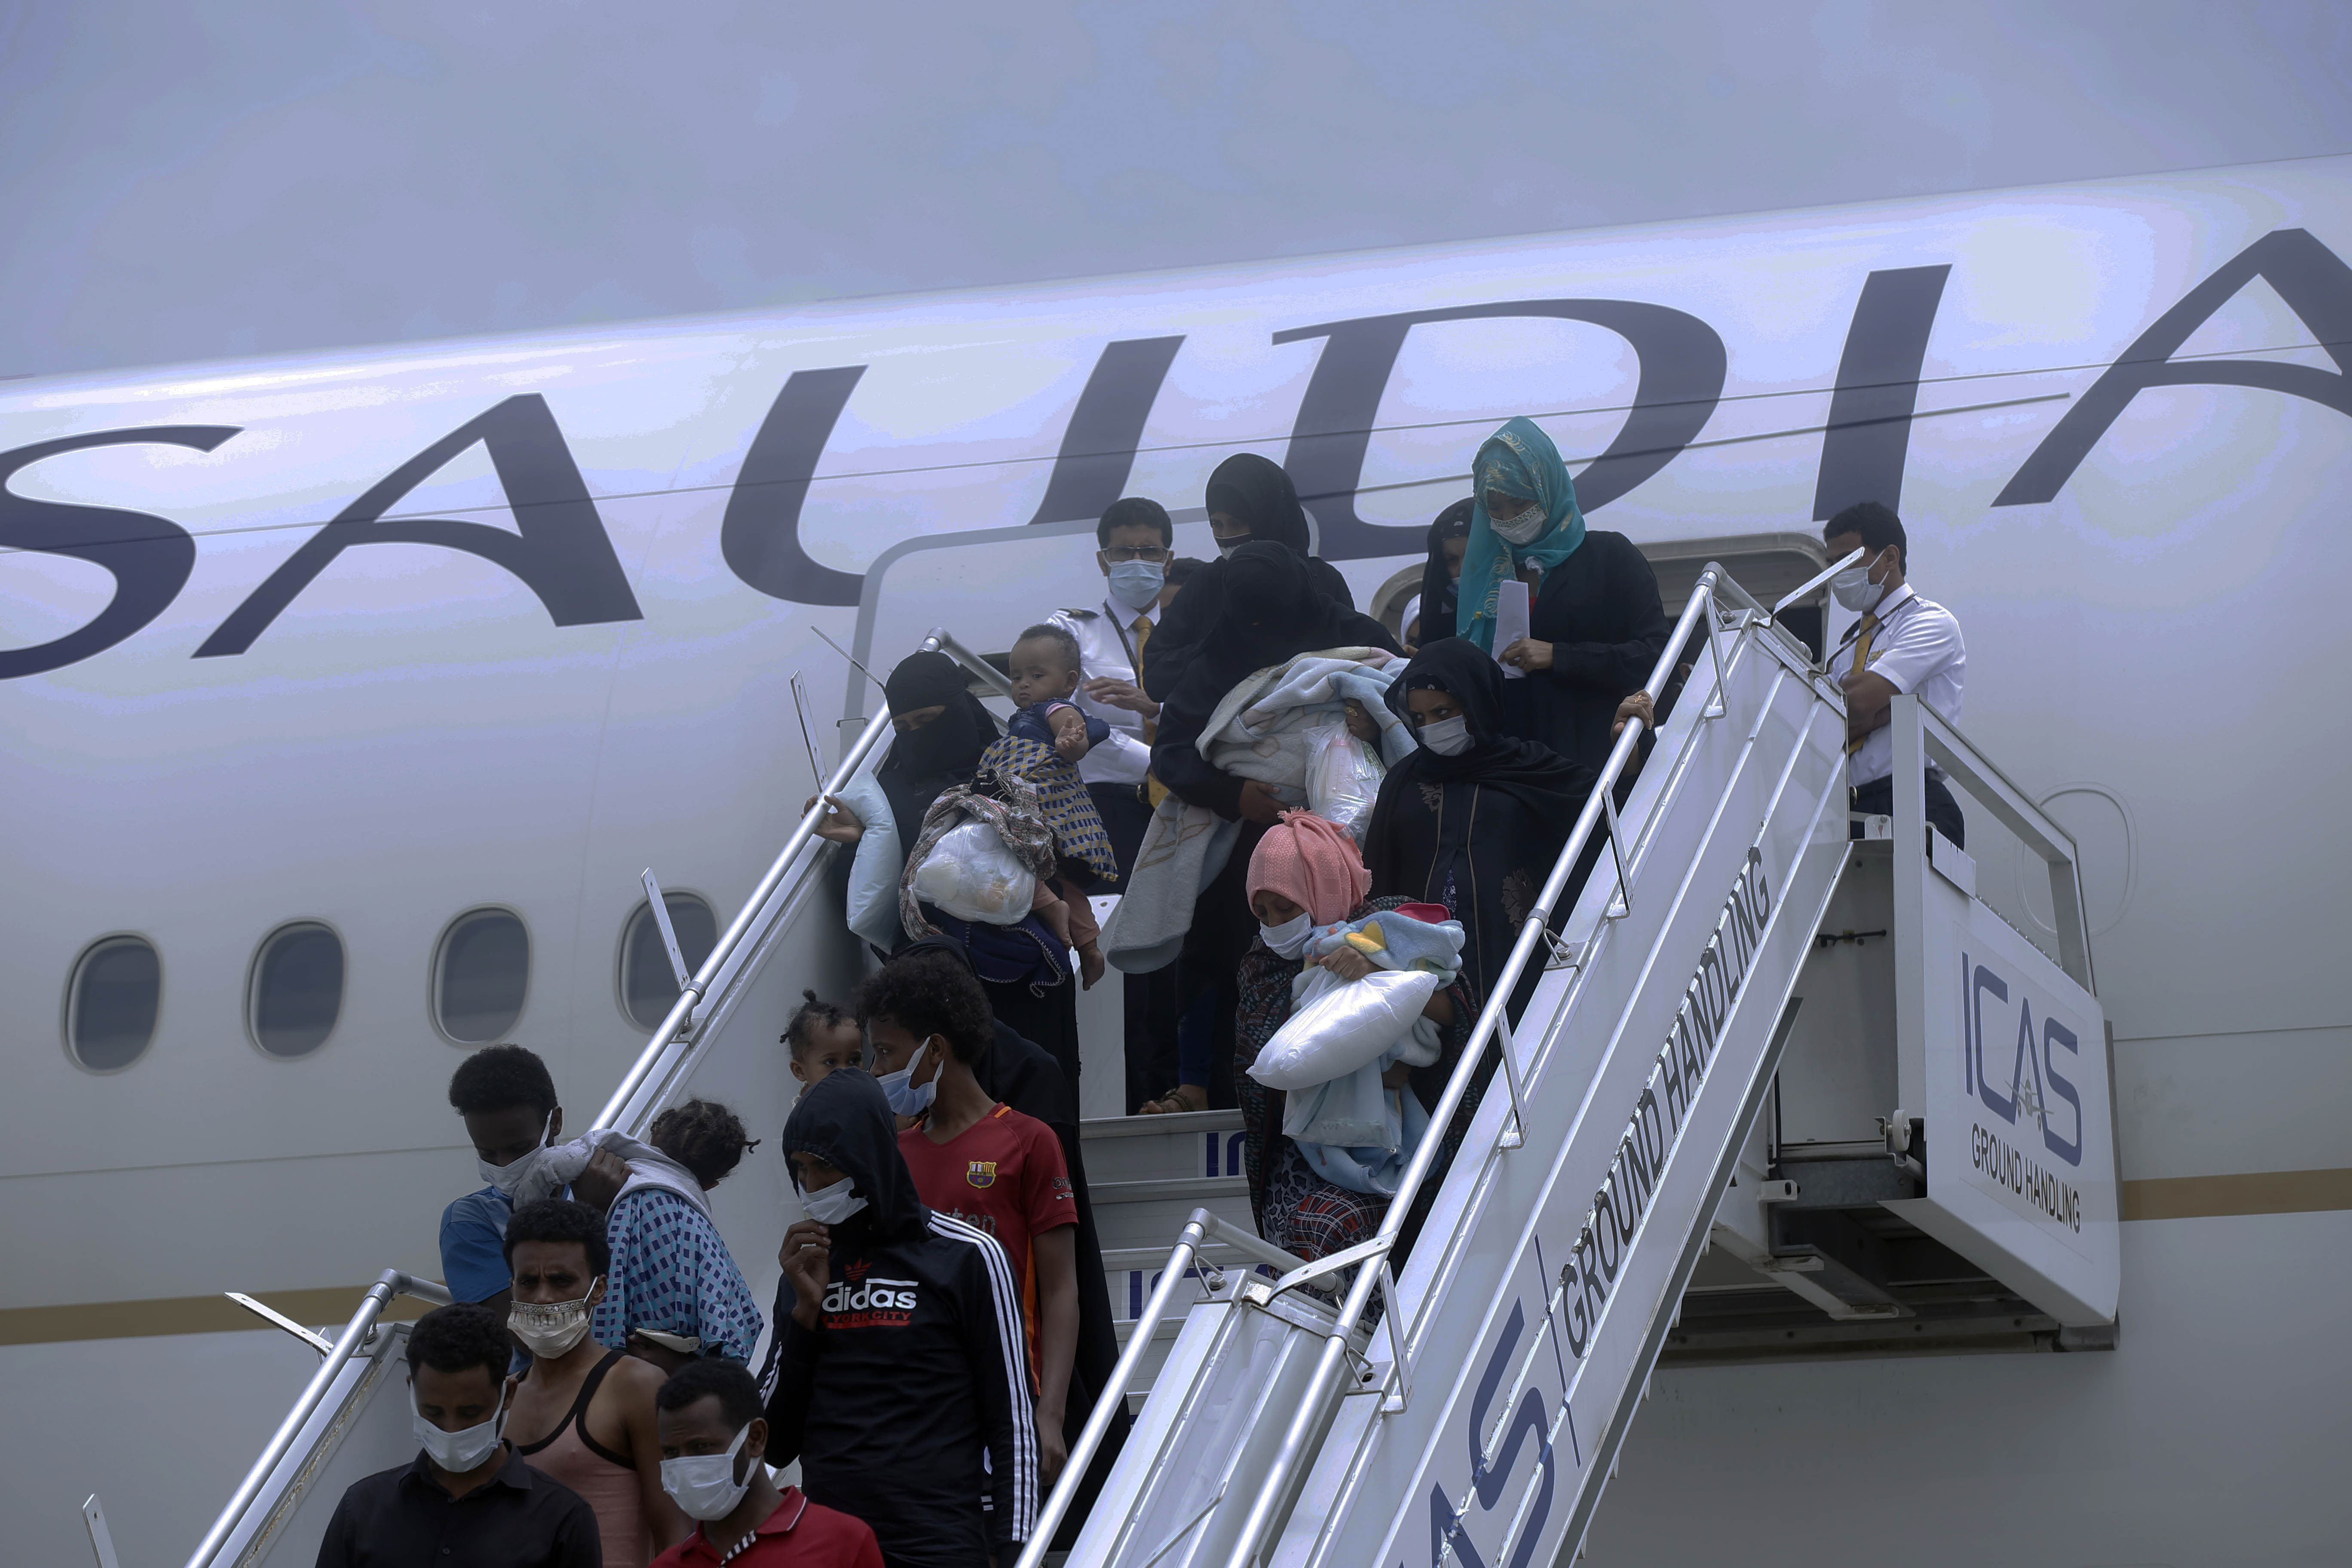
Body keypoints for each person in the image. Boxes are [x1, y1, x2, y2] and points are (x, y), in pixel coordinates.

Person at [1140, 541, 1400, 1112]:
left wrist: (1373, 722)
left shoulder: (1355, 637)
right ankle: (1224, 1090)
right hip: (1249, 846)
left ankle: (1332, 1083)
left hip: (1348, 843)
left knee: (1343, 951)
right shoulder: (1216, 657)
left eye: (1271, 614)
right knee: (1227, 958)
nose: (1260, 628)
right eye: (1249, 616)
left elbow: (1404, 702)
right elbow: (1173, 753)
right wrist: (1233, 794)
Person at [761, 1069, 1038, 1568]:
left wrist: (1018, 1549)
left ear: (867, 1155)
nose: (811, 1186)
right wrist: (804, 1318)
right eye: (800, 1169)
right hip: (832, 1550)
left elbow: (1013, 1419)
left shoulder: (968, 1256)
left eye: (824, 1167)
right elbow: (775, 1445)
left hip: (938, 1546)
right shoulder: (804, 1270)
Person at [858, 951, 1080, 1485]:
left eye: (885, 1052)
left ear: (935, 1050)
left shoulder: (1029, 1141)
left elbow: (1061, 1289)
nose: (876, 1070)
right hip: (911, 1407)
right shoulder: (893, 1155)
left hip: (1006, 1401)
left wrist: (1051, 1414)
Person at [1233, 812, 1471, 1264]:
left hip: (1403, 1135)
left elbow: (1456, 1012)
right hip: (1305, 1153)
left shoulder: (1389, 927)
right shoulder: (1259, 966)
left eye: (1286, 908)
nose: (1275, 924)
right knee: (1317, 1236)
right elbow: (1264, 1076)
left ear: (1324, 889)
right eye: (1262, 913)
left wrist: (1378, 968)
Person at [1366, 638, 1599, 1020]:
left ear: (1477, 702)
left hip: (1517, 959)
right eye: (1420, 718)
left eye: (1443, 712)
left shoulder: (1530, 769)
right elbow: (1379, 877)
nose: (1431, 728)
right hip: (1426, 976)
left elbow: (1608, 811)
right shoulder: (1403, 783)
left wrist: (1630, 748)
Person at [315, 1301, 599, 1568]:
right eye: (433, 1412)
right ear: (412, 1390)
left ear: (509, 1395)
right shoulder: (362, 1509)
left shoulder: (563, 1519)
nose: (451, 1429)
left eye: (470, 1412)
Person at [1458, 417, 1671, 772]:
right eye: (1495, 508)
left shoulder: (1609, 557)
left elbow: (1656, 655)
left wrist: (1559, 655)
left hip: (1598, 759)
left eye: (1519, 503)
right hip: (1514, 769)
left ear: (1548, 488)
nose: (1509, 518)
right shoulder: (1486, 575)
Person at [503, 1198, 688, 1564]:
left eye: (561, 1280)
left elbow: (676, 1533)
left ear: (599, 1289)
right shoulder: (503, 1396)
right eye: (528, 1282)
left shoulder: (635, 1385)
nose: (543, 1297)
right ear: (512, 1288)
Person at [1822, 500, 1968, 847]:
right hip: (1850, 808)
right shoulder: (1847, 647)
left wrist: (1864, 710)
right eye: (1831, 565)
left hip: (1911, 799)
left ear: (1889, 557)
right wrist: (1879, 712)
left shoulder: (1929, 622)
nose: (1836, 575)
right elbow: (1825, 723)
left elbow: (1855, 703)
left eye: (1847, 561)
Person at [649, 1359, 882, 1568]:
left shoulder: (843, 1543)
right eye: (671, 1452)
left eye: (702, 1446)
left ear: (756, 1438)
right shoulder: (669, 1565)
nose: (684, 1465)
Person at [441, 1044, 622, 1313]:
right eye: (487, 1154)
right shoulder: (469, 1220)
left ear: (555, 1122)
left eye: (519, 1148)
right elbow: (524, 1329)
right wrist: (592, 1215)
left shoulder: (610, 1182)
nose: (505, 1165)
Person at [1047, 497, 1172, 876]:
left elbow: (1212, 712)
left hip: (1189, 805)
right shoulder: (1070, 630)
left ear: (1167, 561)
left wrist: (1157, 709)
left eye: (1149, 551)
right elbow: (1060, 715)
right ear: (1104, 561)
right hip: (1105, 809)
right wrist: (1158, 763)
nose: (1137, 560)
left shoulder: (1190, 632)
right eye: (1123, 552)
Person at [995, 620, 1124, 985]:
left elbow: (1078, 739)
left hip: (1042, 809)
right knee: (1058, 878)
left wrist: (1071, 744)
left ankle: (1058, 916)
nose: (1024, 684)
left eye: (1036, 675)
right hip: (1032, 806)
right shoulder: (1024, 716)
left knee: (1024, 863)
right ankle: (1088, 943)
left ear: (1069, 682)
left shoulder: (1055, 710)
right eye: (1016, 676)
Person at [593, 1099, 766, 1371]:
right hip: (681, 1377)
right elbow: (739, 1326)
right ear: (711, 1184)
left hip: (615, 1368)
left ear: (654, 1140)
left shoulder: (618, 1199)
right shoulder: (703, 1235)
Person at [1408, 498, 1475, 651]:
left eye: (1473, 557)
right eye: (1451, 560)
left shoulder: (1524, 610)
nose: (1463, 569)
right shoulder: (1438, 627)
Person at [784, 989, 862, 1096]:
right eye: (831, 1062)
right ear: (800, 1071)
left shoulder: (871, 1096)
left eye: (854, 1061)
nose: (845, 1072)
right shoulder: (809, 1106)